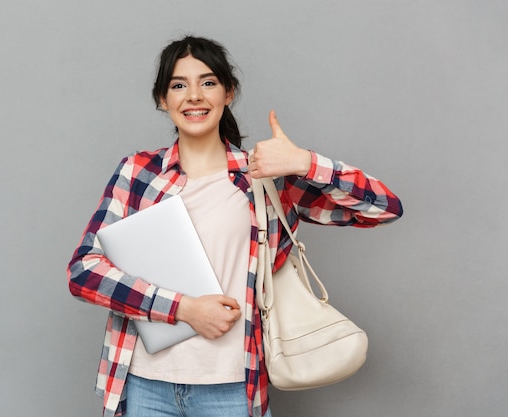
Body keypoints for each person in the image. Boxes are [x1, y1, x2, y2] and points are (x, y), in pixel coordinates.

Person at [67, 36, 403, 417]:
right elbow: (84, 272)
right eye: (179, 85)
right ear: (163, 99)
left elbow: (382, 208)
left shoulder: (264, 178)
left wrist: (305, 162)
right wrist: (183, 308)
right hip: (145, 383)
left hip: (231, 387)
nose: (194, 95)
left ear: (228, 93)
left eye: (208, 82)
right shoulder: (138, 173)